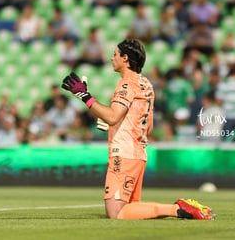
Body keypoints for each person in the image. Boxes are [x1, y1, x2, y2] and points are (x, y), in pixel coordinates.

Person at [61, 39, 214, 220]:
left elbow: (112, 116)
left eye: (115, 54)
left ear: (125, 58)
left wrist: (85, 96)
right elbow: (146, 126)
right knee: (132, 210)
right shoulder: (146, 84)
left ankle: (177, 209)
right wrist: (114, 123)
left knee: (116, 212)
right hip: (138, 153)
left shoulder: (127, 84)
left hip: (123, 153)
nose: (111, 58)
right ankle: (180, 208)